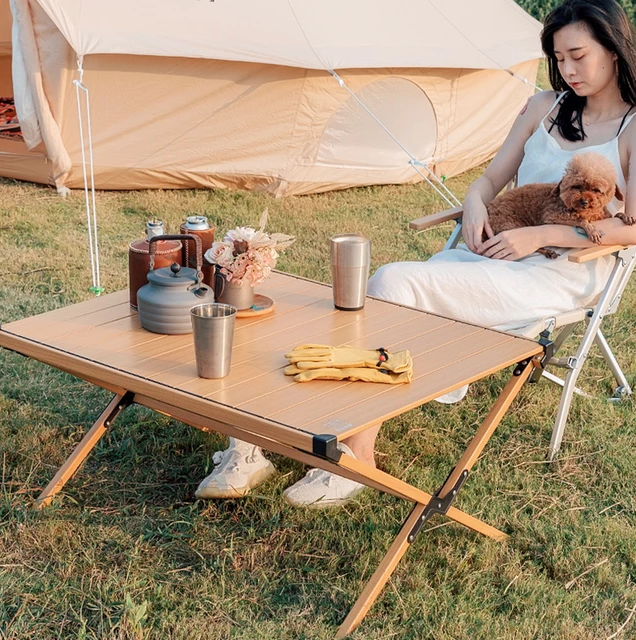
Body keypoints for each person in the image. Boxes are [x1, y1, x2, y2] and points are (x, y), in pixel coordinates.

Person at [195, 0, 636, 507]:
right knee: (372, 302)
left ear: (614, 50)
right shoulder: (545, 108)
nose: (568, 70)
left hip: (559, 273)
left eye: (578, 55)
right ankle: (262, 439)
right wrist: (473, 204)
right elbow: (491, 180)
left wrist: (539, 238)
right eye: (558, 58)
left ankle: (345, 453)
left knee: (389, 286)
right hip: (491, 254)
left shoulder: (631, 128)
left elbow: (632, 229)